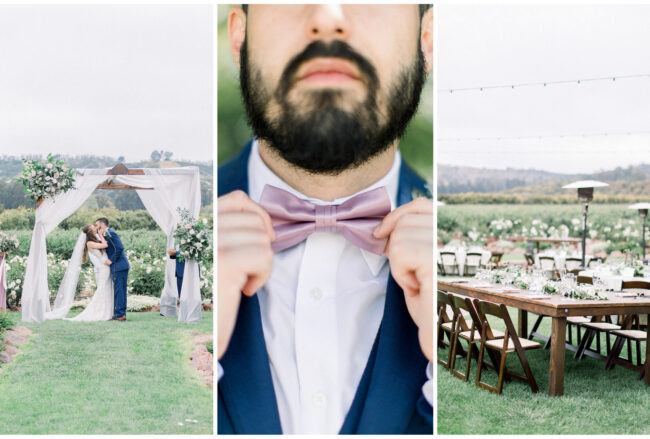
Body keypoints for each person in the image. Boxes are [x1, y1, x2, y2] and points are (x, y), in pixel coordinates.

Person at [217, 4, 433, 434]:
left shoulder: (452, 260)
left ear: (428, 40)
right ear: (239, 36)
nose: (329, 16)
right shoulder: (188, 240)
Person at [65, 224, 114, 321]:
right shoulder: (89, 243)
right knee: (102, 289)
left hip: (106, 266)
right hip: (104, 267)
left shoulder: (94, 240)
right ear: (91, 232)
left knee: (107, 288)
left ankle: (108, 311)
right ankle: (98, 312)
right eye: (94, 228)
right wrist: (100, 234)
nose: (96, 228)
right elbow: (105, 245)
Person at [95, 218, 130, 321]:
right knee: (118, 290)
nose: (96, 228)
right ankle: (118, 313)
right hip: (116, 267)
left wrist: (111, 260)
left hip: (120, 266)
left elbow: (119, 248)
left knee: (120, 290)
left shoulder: (111, 233)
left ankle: (120, 315)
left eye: (97, 225)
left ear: (102, 225)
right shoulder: (105, 235)